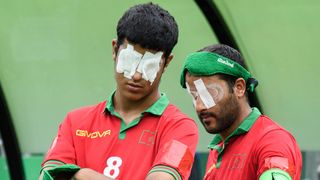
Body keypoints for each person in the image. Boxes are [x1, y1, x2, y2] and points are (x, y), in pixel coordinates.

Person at [39, 3, 198, 180]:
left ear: (166, 63)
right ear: (115, 49)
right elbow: (48, 176)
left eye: (149, 64)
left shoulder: (182, 128)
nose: (137, 75)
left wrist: (81, 174)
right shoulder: (74, 122)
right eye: (130, 59)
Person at [179, 44, 302, 180]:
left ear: (239, 87)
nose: (199, 106)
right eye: (195, 96)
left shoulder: (273, 140)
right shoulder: (218, 148)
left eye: (209, 93)